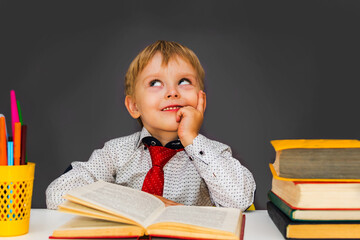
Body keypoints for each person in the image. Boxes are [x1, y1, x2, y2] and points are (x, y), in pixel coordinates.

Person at [46, 40, 256, 211]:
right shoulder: (115, 153)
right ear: (134, 105)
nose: (172, 92)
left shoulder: (213, 155)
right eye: (155, 83)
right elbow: (57, 195)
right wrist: (136, 202)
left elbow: (240, 200)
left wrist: (192, 139)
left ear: (201, 100)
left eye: (184, 81)